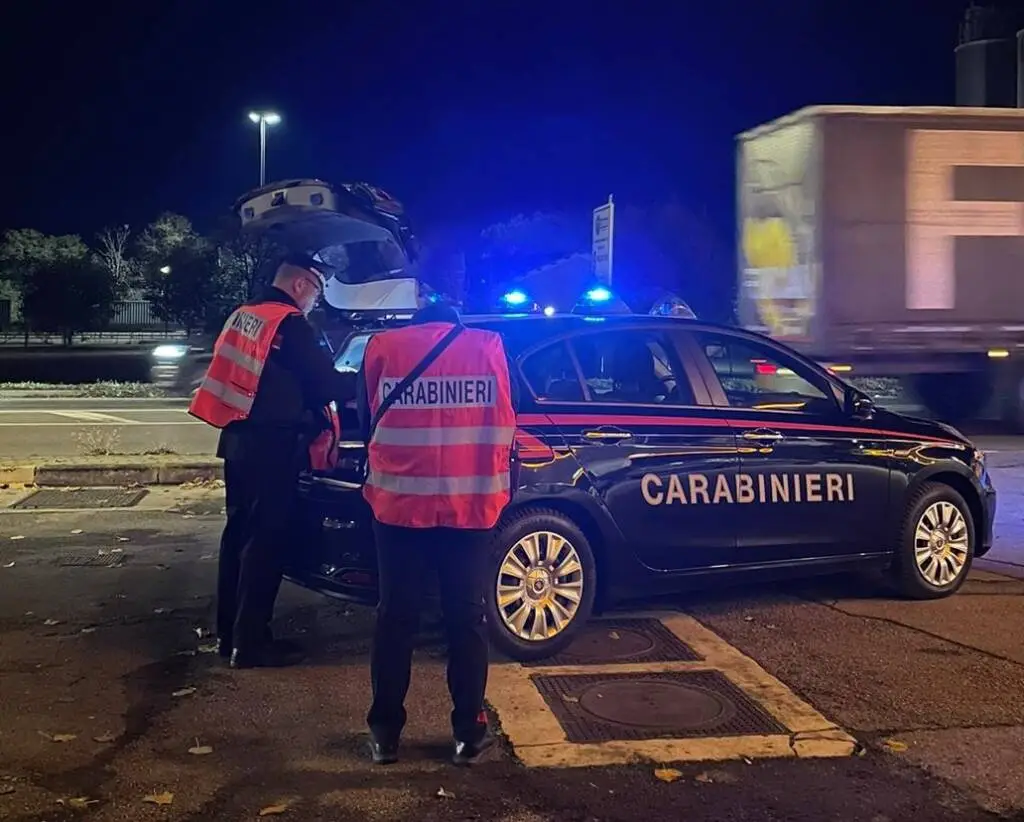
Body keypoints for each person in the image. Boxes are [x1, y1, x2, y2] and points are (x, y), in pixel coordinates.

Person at [356, 300, 518, 766]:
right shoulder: (488, 347)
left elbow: (368, 417)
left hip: (399, 506)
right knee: (466, 619)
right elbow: (509, 417)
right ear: (454, 319)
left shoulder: (383, 347)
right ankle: (468, 732)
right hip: (469, 506)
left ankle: (384, 732)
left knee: (396, 618)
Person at [189, 254, 356, 669]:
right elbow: (326, 384)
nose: (315, 301)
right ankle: (252, 644)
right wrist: (368, 376)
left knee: (238, 538)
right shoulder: (290, 324)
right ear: (300, 285)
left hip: (238, 440)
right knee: (265, 542)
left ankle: (229, 636)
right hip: (274, 446)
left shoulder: (244, 316)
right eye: (316, 291)